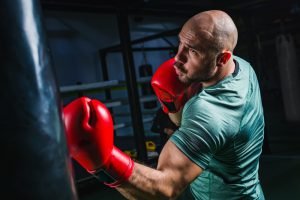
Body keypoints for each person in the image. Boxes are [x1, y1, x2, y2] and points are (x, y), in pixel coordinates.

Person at [63, 9, 265, 199]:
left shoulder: (210, 113)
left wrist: (103, 161)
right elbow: (184, 124)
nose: (177, 58)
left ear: (222, 58)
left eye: (193, 51)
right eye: (181, 44)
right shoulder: (242, 68)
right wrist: (172, 105)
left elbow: (165, 189)